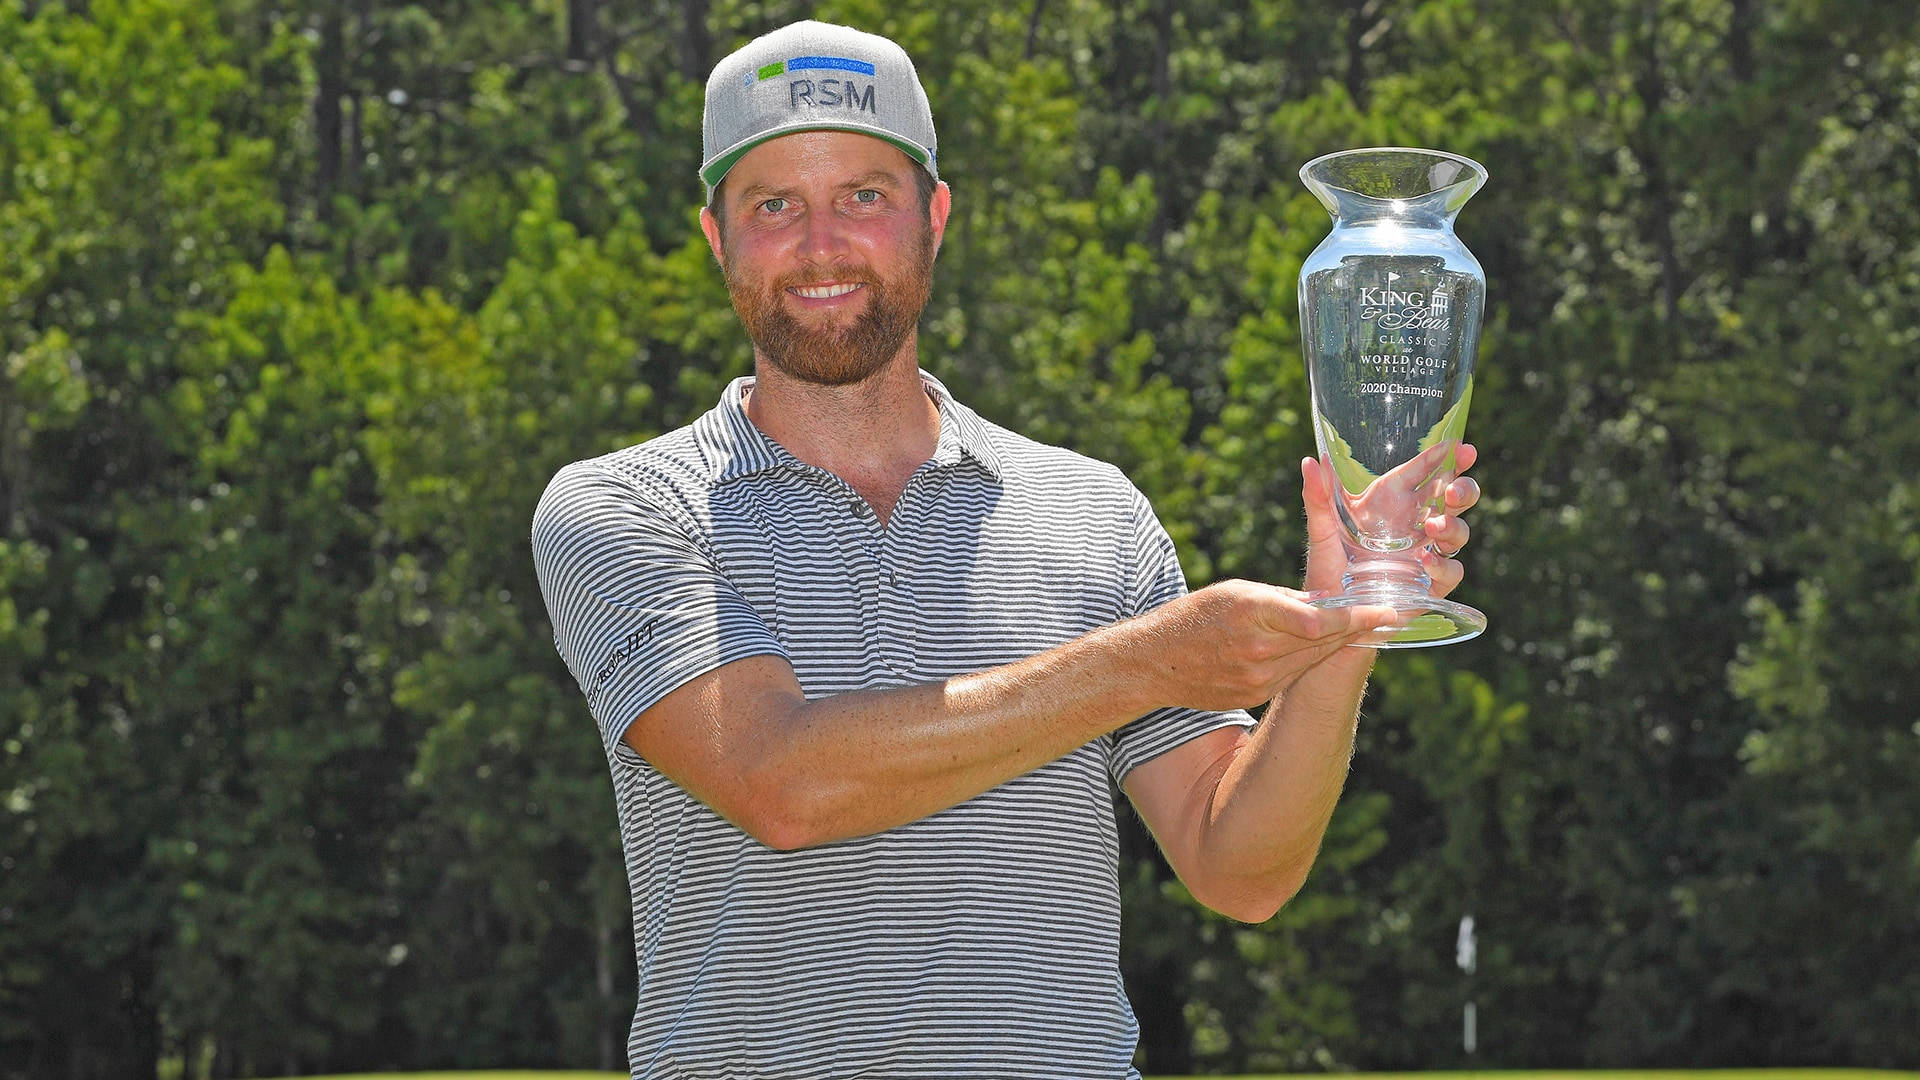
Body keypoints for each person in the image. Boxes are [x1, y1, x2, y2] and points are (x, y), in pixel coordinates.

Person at [530, 19, 1480, 1079]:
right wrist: (1148, 661)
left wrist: (1340, 634)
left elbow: (1238, 867)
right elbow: (779, 783)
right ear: (715, 237)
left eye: (864, 196)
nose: (821, 244)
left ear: (935, 216)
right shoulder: (622, 508)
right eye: (772, 206)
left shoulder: (1093, 510)